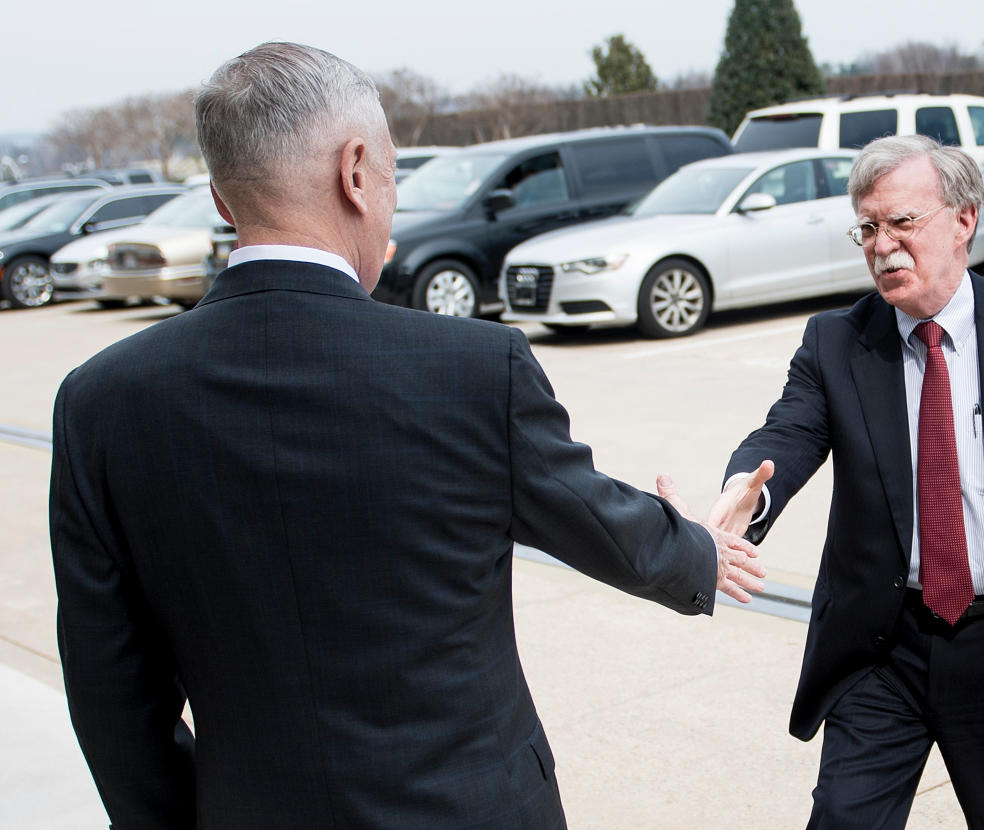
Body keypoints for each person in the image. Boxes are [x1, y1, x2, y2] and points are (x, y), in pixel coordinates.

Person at [48, 42, 764, 829]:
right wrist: (696, 546)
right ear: (355, 172)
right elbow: (589, 515)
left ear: (222, 199)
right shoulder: (471, 368)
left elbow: (111, 697)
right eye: (393, 174)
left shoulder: (100, 403)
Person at [685, 134, 984, 828]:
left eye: (902, 222)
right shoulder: (836, 341)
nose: (882, 245)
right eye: (868, 228)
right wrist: (746, 491)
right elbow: (787, 431)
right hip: (883, 646)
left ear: (964, 219)